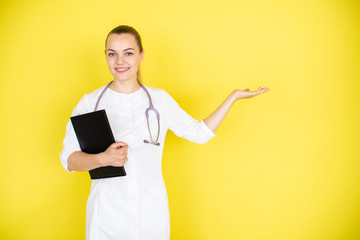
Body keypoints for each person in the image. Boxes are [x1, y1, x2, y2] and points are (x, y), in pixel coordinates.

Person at [60, 25, 269, 240]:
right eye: (112, 54)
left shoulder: (159, 100)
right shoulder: (89, 103)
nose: (120, 61)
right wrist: (103, 158)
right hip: (107, 216)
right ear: (105, 56)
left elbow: (199, 133)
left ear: (141, 55)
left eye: (128, 53)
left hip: (151, 214)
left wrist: (232, 97)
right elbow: (69, 160)